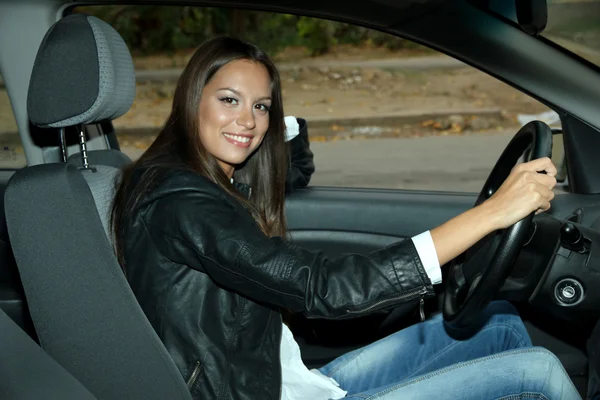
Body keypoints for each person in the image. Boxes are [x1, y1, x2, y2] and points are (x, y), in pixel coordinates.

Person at [110, 36, 580, 400]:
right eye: (228, 100)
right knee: (537, 375)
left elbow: (292, 167)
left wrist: (266, 120)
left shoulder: (207, 175)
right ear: (192, 98)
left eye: (261, 107)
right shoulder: (182, 202)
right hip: (257, 392)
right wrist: (492, 214)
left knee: (499, 324)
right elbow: (326, 287)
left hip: (290, 379)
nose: (249, 122)